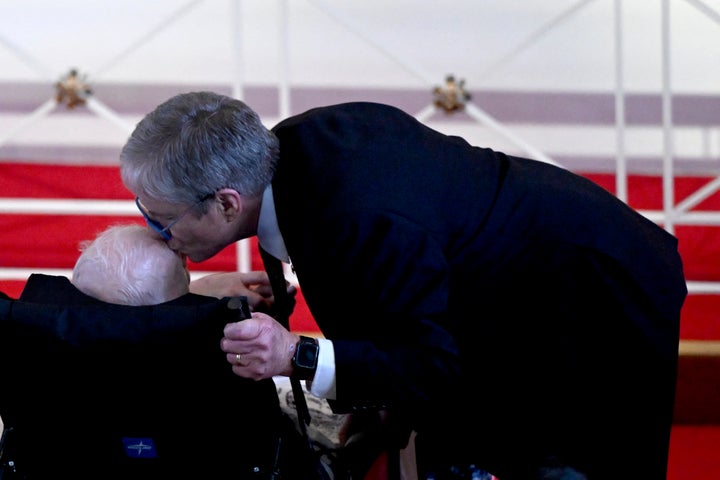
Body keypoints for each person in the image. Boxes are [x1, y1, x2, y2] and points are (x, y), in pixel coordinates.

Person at [119, 91, 687, 480]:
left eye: (161, 220)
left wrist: (297, 353)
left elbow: (433, 363)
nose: (160, 235)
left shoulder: (356, 215)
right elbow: (390, 296)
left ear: (225, 203)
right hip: (513, 287)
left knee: (574, 464)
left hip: (593, 304)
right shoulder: (286, 155)